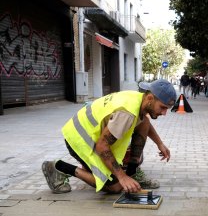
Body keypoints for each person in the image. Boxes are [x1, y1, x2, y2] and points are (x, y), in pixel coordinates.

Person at [42, 79, 177, 194]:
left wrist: (159, 143)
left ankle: (132, 172)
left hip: (93, 136)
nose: (164, 113)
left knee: (144, 121)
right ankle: (57, 167)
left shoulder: (139, 100)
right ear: (150, 98)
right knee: (115, 186)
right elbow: (102, 146)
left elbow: (143, 122)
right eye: (162, 107)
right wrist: (121, 176)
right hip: (79, 139)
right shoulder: (127, 113)